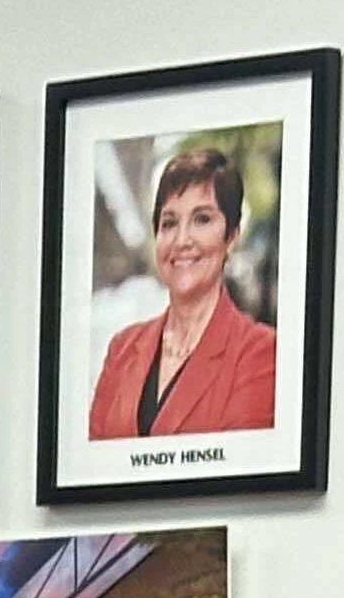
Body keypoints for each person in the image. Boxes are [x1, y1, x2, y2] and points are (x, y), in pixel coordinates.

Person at [86, 144, 280, 441]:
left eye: (202, 219)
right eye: (169, 223)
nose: (182, 240)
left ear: (231, 237)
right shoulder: (121, 350)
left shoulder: (261, 353)